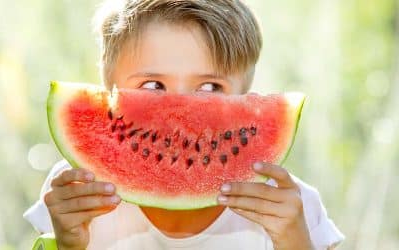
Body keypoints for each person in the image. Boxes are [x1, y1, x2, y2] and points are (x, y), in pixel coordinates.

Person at [24, 0, 344, 249]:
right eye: (152, 86)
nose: (178, 117)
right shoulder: (78, 189)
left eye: (208, 87)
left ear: (245, 95)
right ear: (110, 90)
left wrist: (296, 244)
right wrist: (68, 245)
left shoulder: (291, 206)